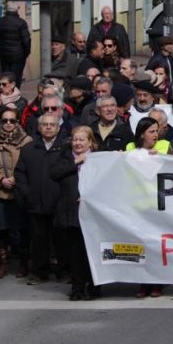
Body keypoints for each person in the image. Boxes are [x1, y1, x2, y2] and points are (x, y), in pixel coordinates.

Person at [48, 126, 102, 300]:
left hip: (93, 214)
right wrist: (76, 161)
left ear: (90, 142)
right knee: (75, 253)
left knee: (92, 252)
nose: (77, 143)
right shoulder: (65, 157)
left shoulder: (100, 159)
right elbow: (54, 173)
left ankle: (94, 287)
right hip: (71, 213)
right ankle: (77, 288)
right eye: (75, 139)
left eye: (82, 139)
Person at [15, 113, 63, 286]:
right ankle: (38, 272)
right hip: (36, 203)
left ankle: (63, 271)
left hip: (59, 204)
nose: (48, 127)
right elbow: (19, 174)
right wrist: (27, 193)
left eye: (52, 124)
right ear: (39, 127)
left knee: (60, 240)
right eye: (45, 124)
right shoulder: (28, 149)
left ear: (58, 127)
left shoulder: (65, 148)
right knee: (38, 240)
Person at [0, 106, 32, 278]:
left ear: (17, 122)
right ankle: (3, 262)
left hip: (19, 191)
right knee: (1, 229)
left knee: (22, 228)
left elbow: (28, 165)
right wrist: (1, 179)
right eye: (5, 120)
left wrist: (16, 179)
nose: (8, 124)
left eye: (12, 121)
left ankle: (23, 262)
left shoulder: (26, 141)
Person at [0, 3, 31, 86]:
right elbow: (26, 41)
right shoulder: (21, 23)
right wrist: (25, 53)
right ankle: (15, 95)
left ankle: (6, 93)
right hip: (18, 55)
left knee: (6, 76)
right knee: (16, 77)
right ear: (17, 10)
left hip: (4, 55)